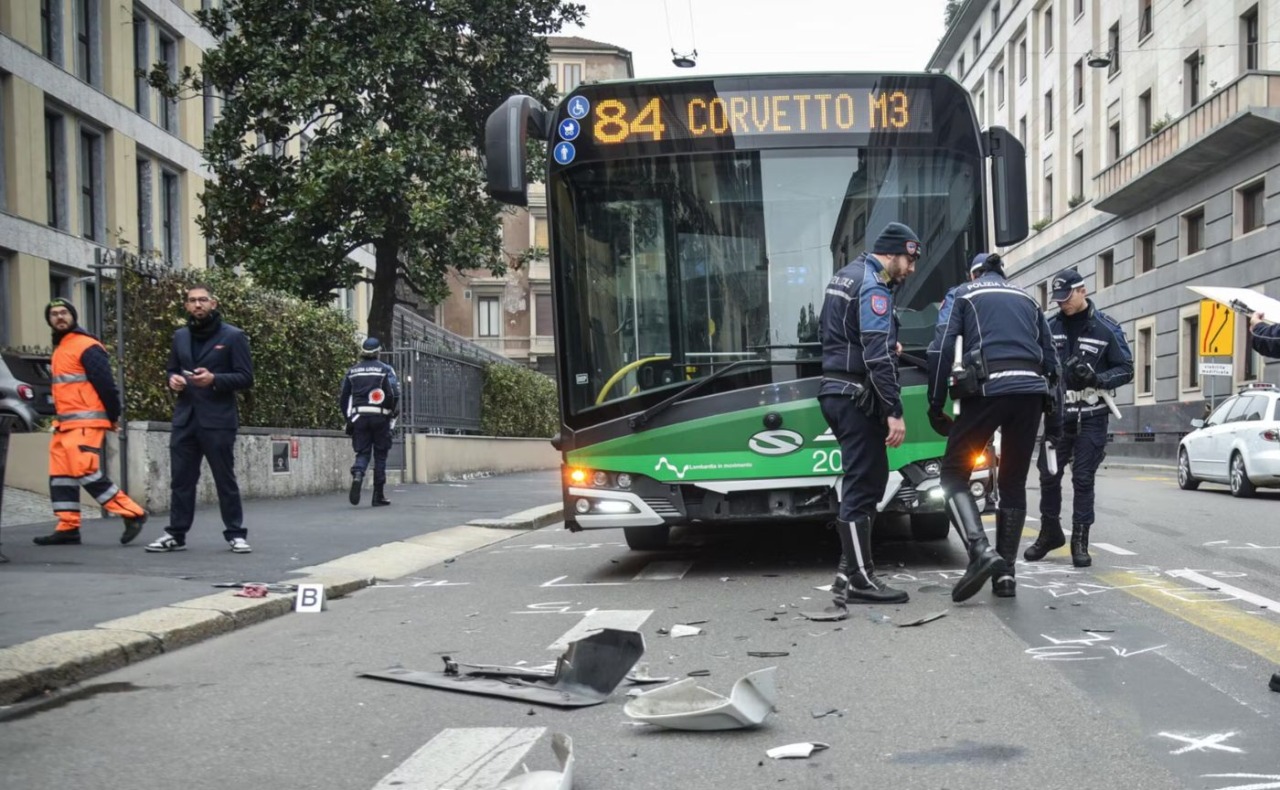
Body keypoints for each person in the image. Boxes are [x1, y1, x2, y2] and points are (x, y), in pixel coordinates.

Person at [926, 253, 1059, 601]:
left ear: (974, 273)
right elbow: (1052, 359)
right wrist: (1053, 415)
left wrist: (935, 401)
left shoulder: (964, 294)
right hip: (1030, 393)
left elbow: (941, 348)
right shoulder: (1028, 298)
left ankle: (981, 551)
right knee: (1013, 481)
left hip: (986, 390)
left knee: (953, 475)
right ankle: (1005, 577)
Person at [818, 221, 920, 610]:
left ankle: (850, 571)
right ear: (892, 253)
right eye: (908, 261)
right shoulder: (873, 285)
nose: (910, 270)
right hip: (857, 395)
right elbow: (875, 353)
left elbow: (838, 334)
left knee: (869, 478)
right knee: (864, 484)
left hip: (837, 389)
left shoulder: (844, 277)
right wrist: (894, 410)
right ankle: (861, 579)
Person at [1024, 268, 1132, 568]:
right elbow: (1036, 363)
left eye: (1067, 297)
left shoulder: (1106, 327)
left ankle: (1080, 541)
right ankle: (1049, 533)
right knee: (1048, 475)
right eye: (1057, 299)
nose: (1062, 304)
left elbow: (1126, 369)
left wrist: (1097, 378)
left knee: (1083, 479)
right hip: (1058, 415)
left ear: (1082, 290)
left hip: (1092, 415)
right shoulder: (1048, 326)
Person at [145, 285, 255, 554]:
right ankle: (176, 534)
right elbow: (172, 369)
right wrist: (173, 380)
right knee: (181, 481)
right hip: (185, 419)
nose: (197, 305)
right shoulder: (180, 336)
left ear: (213, 304)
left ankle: (236, 534)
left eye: (202, 300)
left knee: (224, 479)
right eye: (192, 301)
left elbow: (246, 377)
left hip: (218, 420)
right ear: (186, 306)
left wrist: (215, 379)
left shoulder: (233, 336)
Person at [33, 299, 148, 546]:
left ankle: (133, 512)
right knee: (61, 474)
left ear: (73, 316)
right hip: (66, 425)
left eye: (64, 312)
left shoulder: (86, 345)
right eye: (54, 314)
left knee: (84, 470)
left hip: (86, 423)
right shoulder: (62, 347)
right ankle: (68, 527)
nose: (59, 317)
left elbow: (106, 384)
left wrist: (113, 415)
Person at [340, 336, 400, 506]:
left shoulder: (352, 371)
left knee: (363, 453)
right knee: (380, 455)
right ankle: (378, 495)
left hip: (359, 417)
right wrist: (391, 413)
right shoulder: (386, 369)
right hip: (380, 417)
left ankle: (358, 474)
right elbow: (395, 393)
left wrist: (349, 419)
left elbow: (344, 398)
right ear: (378, 352)